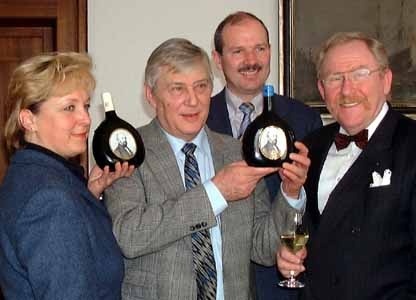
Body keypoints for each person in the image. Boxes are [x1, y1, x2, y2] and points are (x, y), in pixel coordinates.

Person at [104, 37, 310, 300]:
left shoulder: (236, 152)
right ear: (151, 95)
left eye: (201, 86)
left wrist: (290, 192)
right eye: (178, 89)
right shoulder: (129, 152)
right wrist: (216, 192)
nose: (193, 100)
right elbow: (130, 236)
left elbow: (263, 248)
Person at [276, 31, 416, 300]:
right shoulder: (311, 145)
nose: (346, 89)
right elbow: (304, 230)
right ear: (322, 89)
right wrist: (288, 258)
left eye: (360, 74)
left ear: (386, 80)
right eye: (335, 78)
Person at [207, 11, 322, 300]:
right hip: (218, 281)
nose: (251, 60)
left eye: (260, 48)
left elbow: (316, 207)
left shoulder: (304, 119)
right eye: (238, 51)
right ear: (218, 60)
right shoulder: (198, 119)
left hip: (282, 281)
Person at [0, 52, 135, 300]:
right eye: (69, 107)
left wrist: (88, 195)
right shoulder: (50, 198)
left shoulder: (30, 174)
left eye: (84, 105)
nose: (85, 118)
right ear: (29, 120)